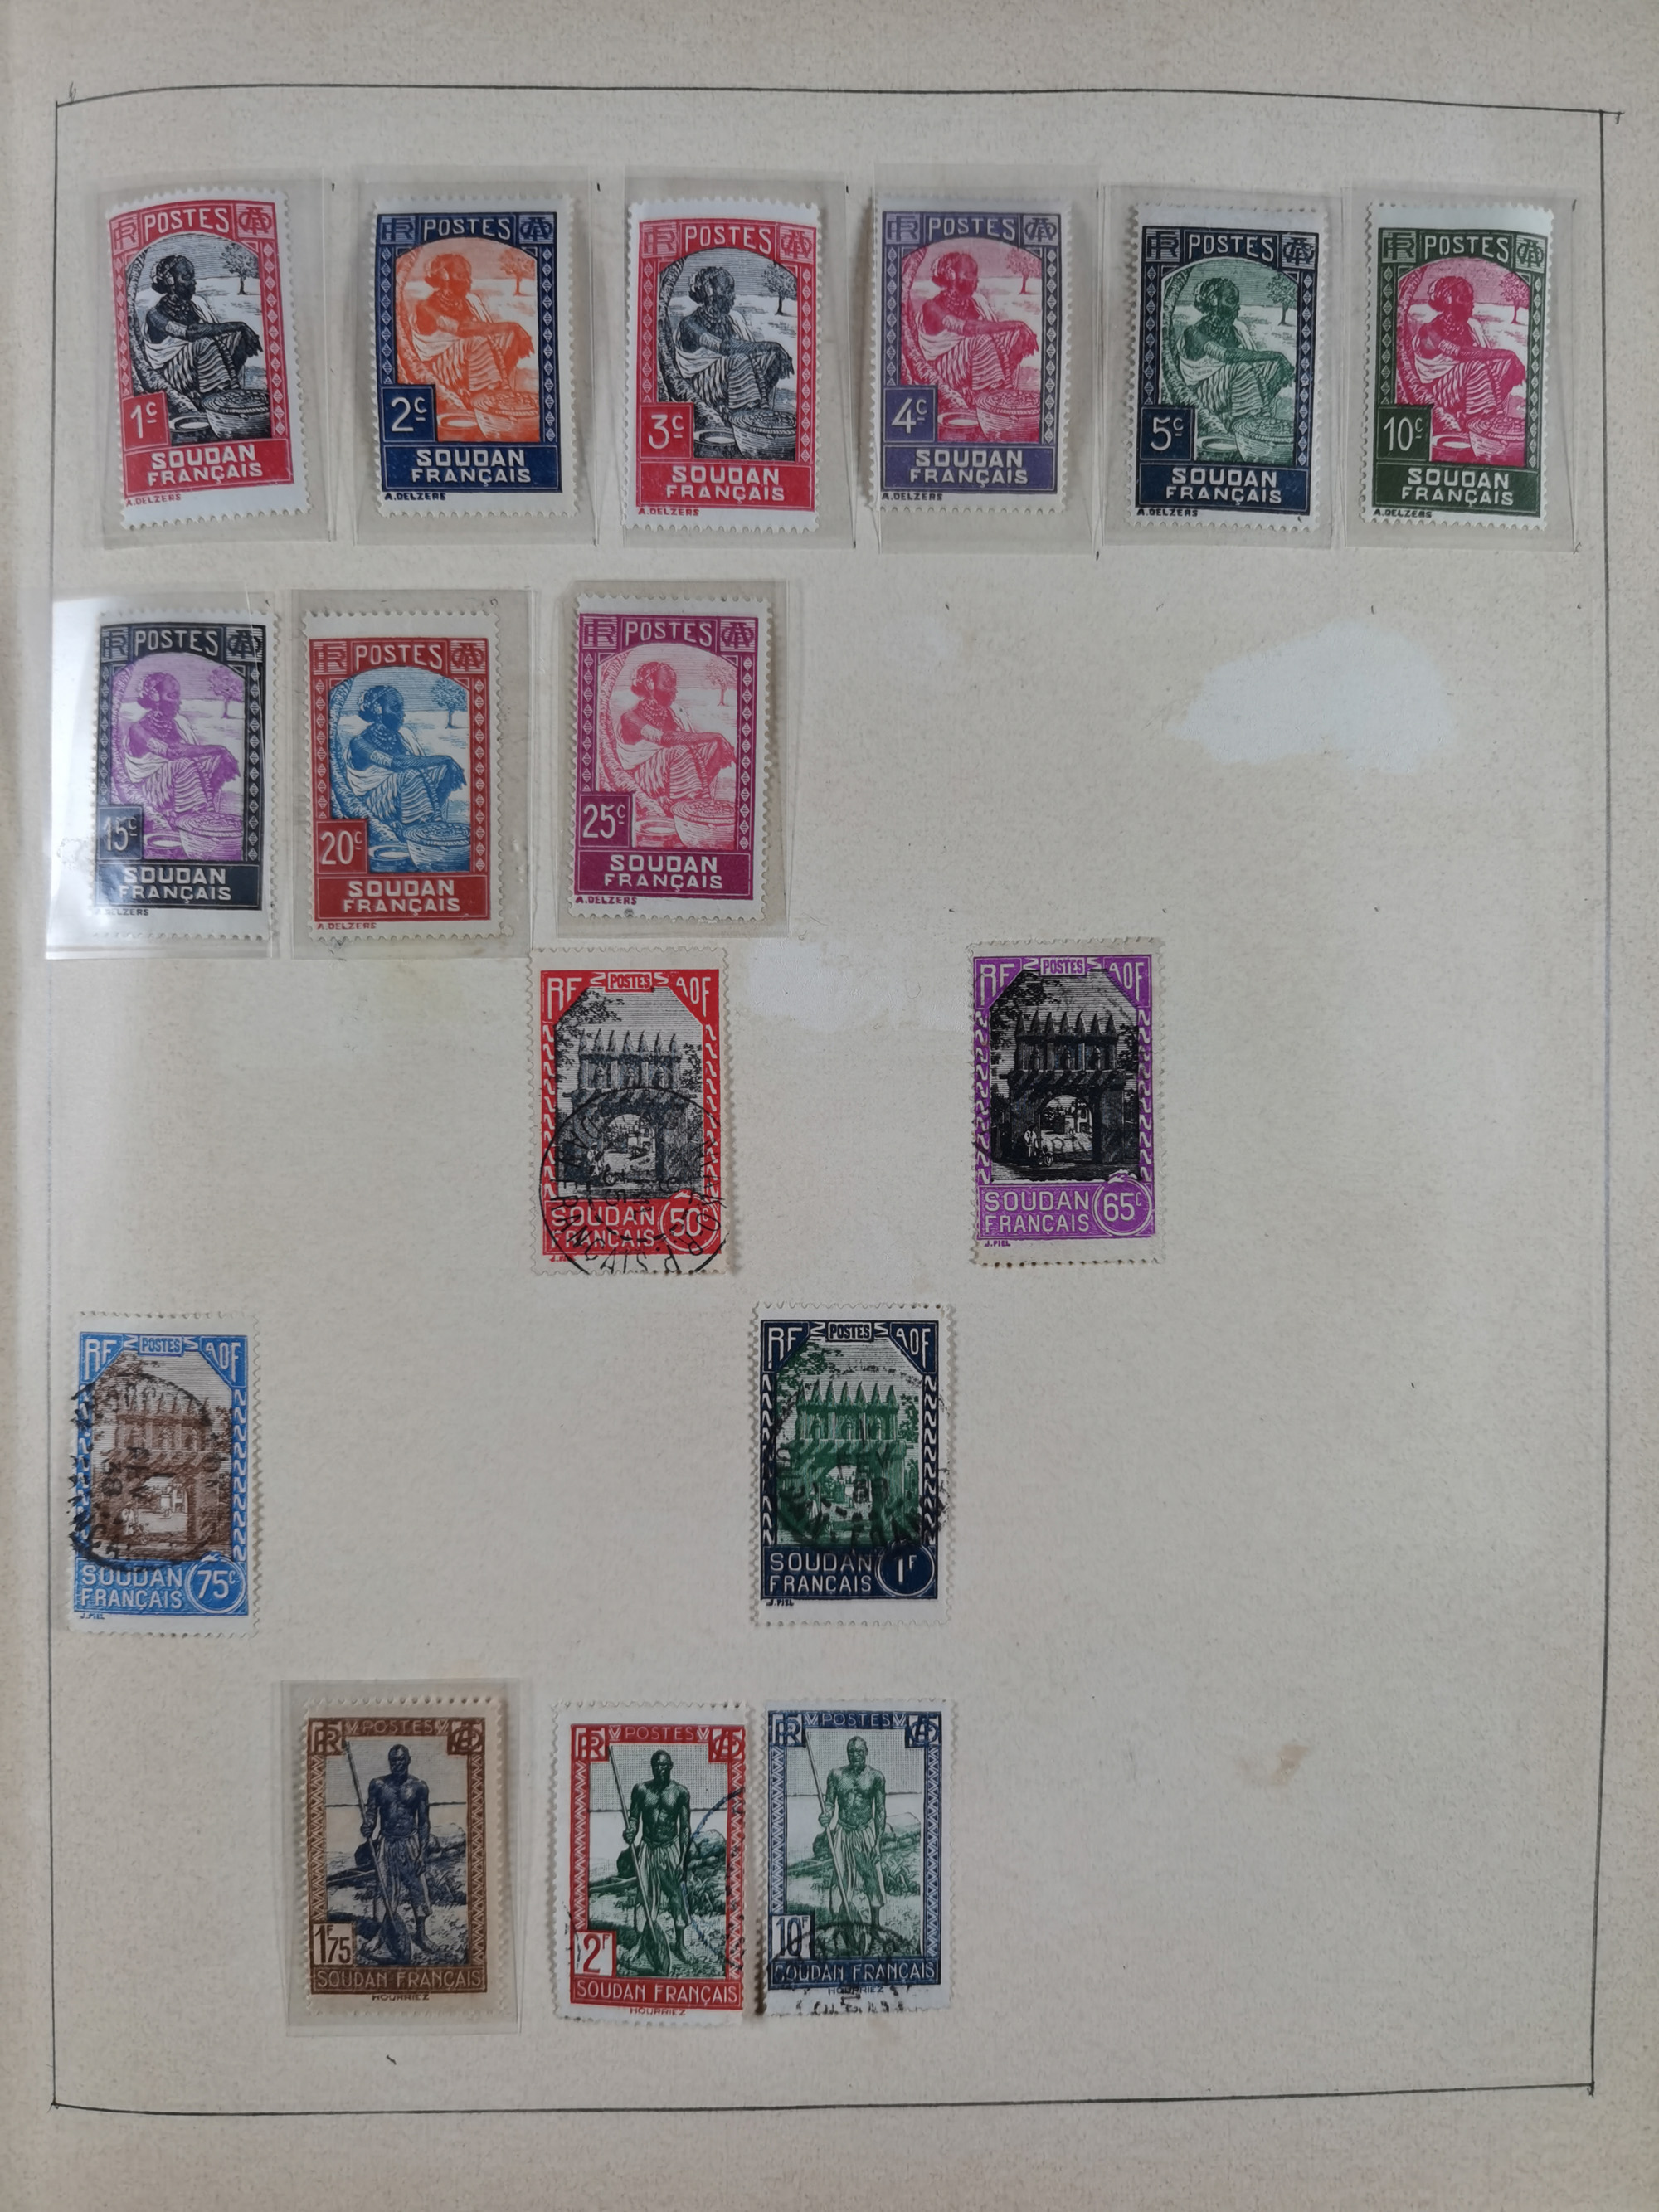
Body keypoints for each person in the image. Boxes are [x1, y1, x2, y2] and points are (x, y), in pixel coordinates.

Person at [397, 249, 535, 439]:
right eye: (461, 276)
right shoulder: (426, 307)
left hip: (473, 362)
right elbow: (462, 329)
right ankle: (485, 401)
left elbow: (486, 333)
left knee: (510, 336)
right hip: (442, 368)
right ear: (444, 277)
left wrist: (514, 332)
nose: (468, 281)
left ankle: (497, 394)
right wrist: (512, 325)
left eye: (468, 276)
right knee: (478, 341)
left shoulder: (470, 302)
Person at [109, 668, 241, 857]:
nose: (179, 702)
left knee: (214, 760)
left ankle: (202, 816)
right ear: (155, 697)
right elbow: (172, 752)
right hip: (151, 792)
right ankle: (191, 823)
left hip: (177, 785)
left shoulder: (179, 724)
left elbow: (197, 758)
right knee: (184, 764)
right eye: (172, 696)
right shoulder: (138, 729)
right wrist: (219, 748)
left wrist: (219, 756)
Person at [607, 659, 735, 847]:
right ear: (650, 684)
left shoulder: (672, 714)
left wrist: (717, 741)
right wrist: (714, 734)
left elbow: (688, 743)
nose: (674, 691)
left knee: (715, 746)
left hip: (671, 774)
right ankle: (688, 808)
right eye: (668, 684)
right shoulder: (630, 717)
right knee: (679, 750)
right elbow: (665, 738)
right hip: (643, 779)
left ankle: (689, 802)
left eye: (674, 685)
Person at [135, 253, 262, 440]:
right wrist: (239, 324)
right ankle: (215, 403)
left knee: (237, 337)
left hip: (199, 365)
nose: (193, 282)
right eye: (187, 277)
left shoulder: (196, 304)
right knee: (203, 343)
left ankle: (227, 392)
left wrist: (240, 332)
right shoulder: (155, 315)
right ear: (170, 281)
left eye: (192, 277)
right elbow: (191, 333)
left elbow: (218, 336)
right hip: (174, 375)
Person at [1167, 274, 1294, 456]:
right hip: (1203, 395)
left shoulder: (1237, 330)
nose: (1238, 307)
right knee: (1241, 368)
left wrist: (1278, 364)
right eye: (1231, 301)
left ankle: (1253, 421)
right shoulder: (1193, 333)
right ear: (1213, 301)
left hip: (1231, 389)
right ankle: (1245, 429)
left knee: (1275, 367)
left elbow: (1256, 366)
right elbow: (1227, 355)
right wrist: (1276, 355)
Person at [337, 682, 465, 859]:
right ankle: (416, 831)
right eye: (396, 708)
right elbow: (396, 764)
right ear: (378, 710)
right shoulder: (359, 743)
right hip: (374, 804)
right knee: (410, 774)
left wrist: (446, 765)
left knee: (443, 769)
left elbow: (420, 769)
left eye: (401, 708)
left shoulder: (403, 736)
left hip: (402, 797)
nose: (402, 714)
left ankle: (429, 822)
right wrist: (445, 758)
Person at [1406, 271, 1527, 459]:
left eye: (1470, 299)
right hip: (1442, 391)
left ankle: (1491, 419)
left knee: (1505, 364)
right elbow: (1460, 352)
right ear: (1448, 301)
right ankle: (1477, 425)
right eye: (1465, 299)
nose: (1472, 304)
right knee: (1476, 365)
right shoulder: (1430, 330)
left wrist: (1508, 361)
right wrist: (1505, 353)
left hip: (1470, 385)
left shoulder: (1472, 326)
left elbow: (1489, 362)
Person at [912, 249, 1039, 422]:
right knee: (982, 339)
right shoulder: (932, 307)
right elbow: (968, 329)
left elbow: (992, 334)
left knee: (1016, 335)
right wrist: (1013, 323)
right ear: (951, 274)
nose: (976, 280)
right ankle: (990, 399)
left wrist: (1018, 329)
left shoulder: (976, 303)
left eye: (975, 275)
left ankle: (1002, 392)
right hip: (944, 370)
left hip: (971, 365)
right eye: (969, 274)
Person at [673, 263, 793, 425]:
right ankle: (744, 418)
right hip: (700, 386)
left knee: (773, 357)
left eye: (732, 290)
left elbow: (749, 351)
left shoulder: (731, 320)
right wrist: (769, 345)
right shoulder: (689, 324)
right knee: (739, 360)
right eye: (726, 290)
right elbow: (724, 347)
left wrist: (774, 351)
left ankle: (758, 407)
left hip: (728, 379)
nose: (732, 296)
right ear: (709, 291)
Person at [623, 1750, 692, 1967]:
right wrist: (630, 1831)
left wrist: (682, 1860)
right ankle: (641, 1942)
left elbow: (685, 1828)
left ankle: (680, 1945)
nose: (659, 1770)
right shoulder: (641, 1790)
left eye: (663, 1766)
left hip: (671, 1848)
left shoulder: (680, 1792)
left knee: (676, 1896)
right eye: (656, 1766)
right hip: (648, 1848)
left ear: (671, 1766)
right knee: (644, 1896)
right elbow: (634, 1818)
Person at [361, 1743, 431, 1954]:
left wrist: (422, 1853)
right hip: (387, 1843)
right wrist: (367, 1826)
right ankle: (379, 1935)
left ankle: (422, 1935)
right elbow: (371, 1814)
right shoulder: (378, 1785)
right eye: (393, 1760)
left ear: (408, 1760)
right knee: (383, 1889)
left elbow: (424, 1822)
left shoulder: (419, 1787)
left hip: (410, 1842)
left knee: (418, 1888)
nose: (397, 1764)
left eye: (401, 1759)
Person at [821, 1735, 887, 1947]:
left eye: (859, 1751)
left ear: (866, 1752)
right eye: (851, 1752)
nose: (855, 1755)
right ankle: (835, 1924)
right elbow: (830, 1803)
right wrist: (826, 1815)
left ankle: (876, 1926)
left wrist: (878, 1843)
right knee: (839, 1876)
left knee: (872, 1877)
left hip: (865, 1832)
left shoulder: (876, 1777)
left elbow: (880, 1811)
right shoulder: (836, 1775)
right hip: (843, 1831)